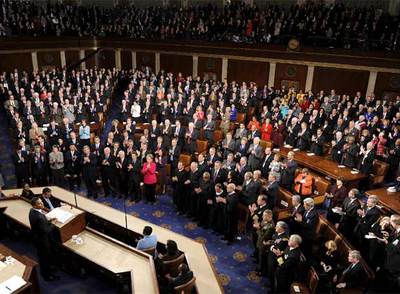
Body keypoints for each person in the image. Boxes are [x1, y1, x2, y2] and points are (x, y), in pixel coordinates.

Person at [28, 197, 58, 281]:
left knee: (43, 258)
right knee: (45, 259)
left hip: (37, 239)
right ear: (35, 205)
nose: (42, 204)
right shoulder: (39, 217)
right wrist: (53, 224)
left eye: (42, 202)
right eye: (40, 203)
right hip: (43, 241)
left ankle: (48, 271)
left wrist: (49, 221)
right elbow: (46, 230)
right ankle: (48, 276)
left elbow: (41, 224)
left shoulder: (32, 211)